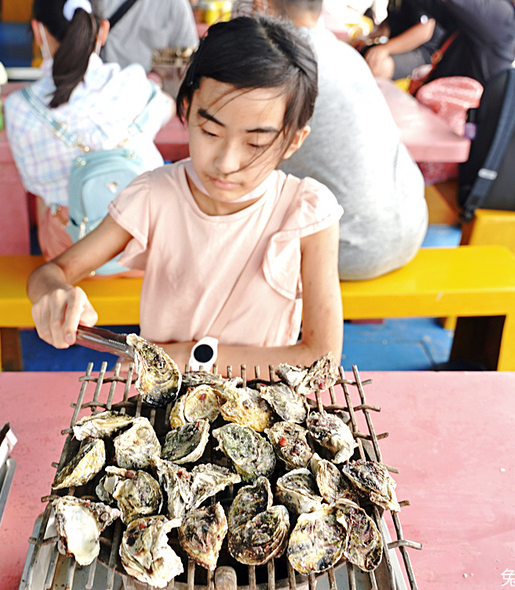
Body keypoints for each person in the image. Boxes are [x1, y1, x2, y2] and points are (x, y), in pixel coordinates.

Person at [28, 15, 344, 373]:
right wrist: (56, 295)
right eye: (210, 131)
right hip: (164, 403)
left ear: (293, 140)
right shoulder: (154, 196)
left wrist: (190, 358)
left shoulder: (307, 213)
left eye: (255, 143)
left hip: (269, 412)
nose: (226, 162)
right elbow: (51, 273)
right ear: (186, 110)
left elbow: (323, 359)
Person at [4, 0, 173, 273]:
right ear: (102, 31)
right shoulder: (135, 85)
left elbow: (35, 185)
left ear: (38, 32)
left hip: (71, 257)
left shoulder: (20, 108)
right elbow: (168, 106)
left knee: (49, 202)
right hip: (144, 247)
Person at [264, 0, 427, 279]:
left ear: (261, 4)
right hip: (412, 229)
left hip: (345, 250)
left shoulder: (276, 64)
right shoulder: (348, 56)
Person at [352, 0, 447, 81]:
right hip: (396, 43)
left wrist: (384, 49)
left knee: (379, 65)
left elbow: (425, 31)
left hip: (421, 51)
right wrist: (366, 39)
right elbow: (388, 26)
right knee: (354, 52)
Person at [98, 0, 199, 72]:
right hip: (101, 82)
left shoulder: (175, 3)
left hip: (147, 88)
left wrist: (158, 70)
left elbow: (188, 54)